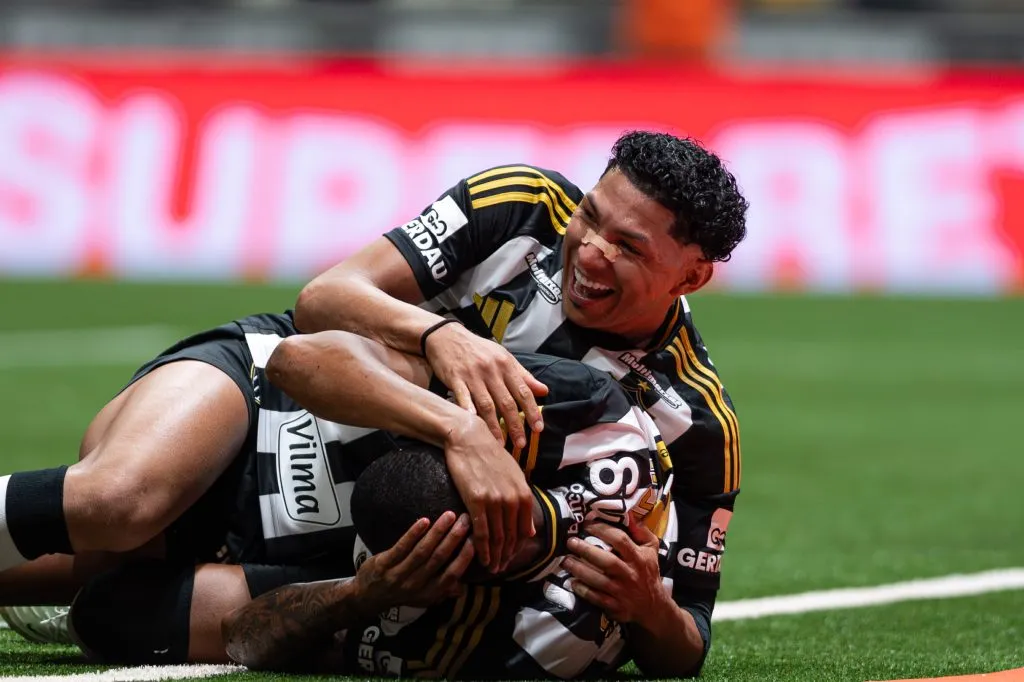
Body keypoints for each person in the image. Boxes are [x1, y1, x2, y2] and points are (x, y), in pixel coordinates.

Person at [290, 129, 748, 675]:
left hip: (394, 552)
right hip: (295, 420)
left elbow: (688, 645)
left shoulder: (695, 419)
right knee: (153, 501)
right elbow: (320, 304)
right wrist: (441, 336)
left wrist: (649, 608)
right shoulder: (520, 207)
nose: (591, 252)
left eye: (628, 247)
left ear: (692, 276)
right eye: (591, 216)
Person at [0, 316, 678, 672]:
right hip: (259, 403)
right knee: (120, 505)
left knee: (104, 611)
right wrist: (456, 427)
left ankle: (76, 566)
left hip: (274, 562)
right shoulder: (579, 416)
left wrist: (361, 596)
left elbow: (245, 637)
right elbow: (297, 358)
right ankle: (99, 535)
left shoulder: (516, 638)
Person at [222, 441, 687, 680]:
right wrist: (360, 595)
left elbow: (234, 633)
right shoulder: (426, 622)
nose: (509, 538)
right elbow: (237, 636)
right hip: (302, 468)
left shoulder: (566, 421)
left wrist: (653, 611)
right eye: (478, 536)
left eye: (497, 516)